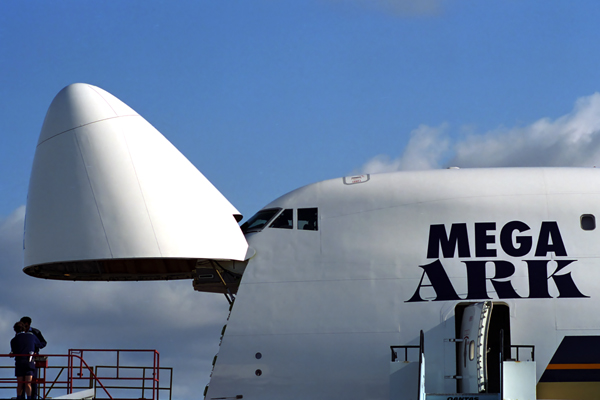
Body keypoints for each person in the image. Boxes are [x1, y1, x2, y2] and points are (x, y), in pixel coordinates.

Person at [10, 322, 42, 399]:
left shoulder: (13, 340)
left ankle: (19, 397)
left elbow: (13, 352)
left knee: (20, 384)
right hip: (29, 362)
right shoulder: (31, 336)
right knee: (28, 383)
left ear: (15, 330)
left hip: (19, 362)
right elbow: (40, 345)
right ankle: (29, 397)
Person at [19, 317, 46, 399]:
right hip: (22, 358)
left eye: (26, 326)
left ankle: (33, 397)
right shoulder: (20, 332)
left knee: (32, 380)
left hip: (32, 359)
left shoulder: (35, 332)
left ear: (29, 324)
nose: (25, 328)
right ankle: (22, 396)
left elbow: (43, 342)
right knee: (22, 380)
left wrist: (35, 348)